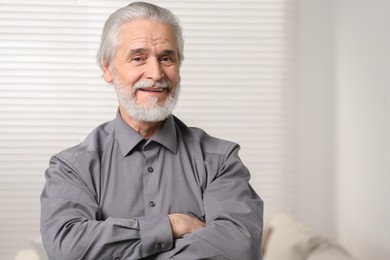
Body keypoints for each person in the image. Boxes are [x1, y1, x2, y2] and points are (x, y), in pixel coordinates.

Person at [40, 2, 263, 259]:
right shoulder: (71, 168)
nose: (156, 73)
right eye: (138, 58)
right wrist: (171, 225)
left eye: (166, 58)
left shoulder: (220, 160)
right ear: (107, 68)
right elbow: (67, 249)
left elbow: (239, 248)